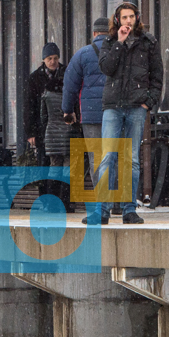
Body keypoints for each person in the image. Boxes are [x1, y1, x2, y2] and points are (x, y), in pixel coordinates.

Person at [96, 1, 163, 226]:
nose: (128, 21)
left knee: (131, 160)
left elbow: (157, 76)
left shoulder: (149, 42)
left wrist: (148, 102)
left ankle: (128, 209)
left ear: (137, 19)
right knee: (108, 157)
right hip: (113, 106)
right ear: (117, 20)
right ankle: (102, 211)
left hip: (136, 106)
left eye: (131, 17)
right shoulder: (109, 41)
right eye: (124, 18)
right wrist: (119, 43)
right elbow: (106, 68)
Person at [62, 18, 109, 222]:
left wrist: (67, 110)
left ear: (94, 34)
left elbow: (70, 85)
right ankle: (119, 204)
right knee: (117, 156)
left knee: (96, 160)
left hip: (90, 115)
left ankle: (101, 204)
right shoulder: (119, 51)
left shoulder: (82, 54)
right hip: (115, 112)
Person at [37, 48, 74, 211]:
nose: (53, 61)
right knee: (67, 168)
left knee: (53, 168)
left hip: (51, 134)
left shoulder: (46, 94)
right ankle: (65, 203)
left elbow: (43, 117)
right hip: (68, 133)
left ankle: (52, 203)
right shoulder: (69, 94)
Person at [25, 43, 64, 167]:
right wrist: (31, 132)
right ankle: (46, 186)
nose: (53, 62)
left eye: (55, 58)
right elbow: (29, 106)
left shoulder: (67, 73)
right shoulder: (34, 78)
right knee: (44, 162)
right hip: (43, 128)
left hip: (63, 127)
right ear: (44, 60)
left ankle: (60, 186)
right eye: (49, 59)